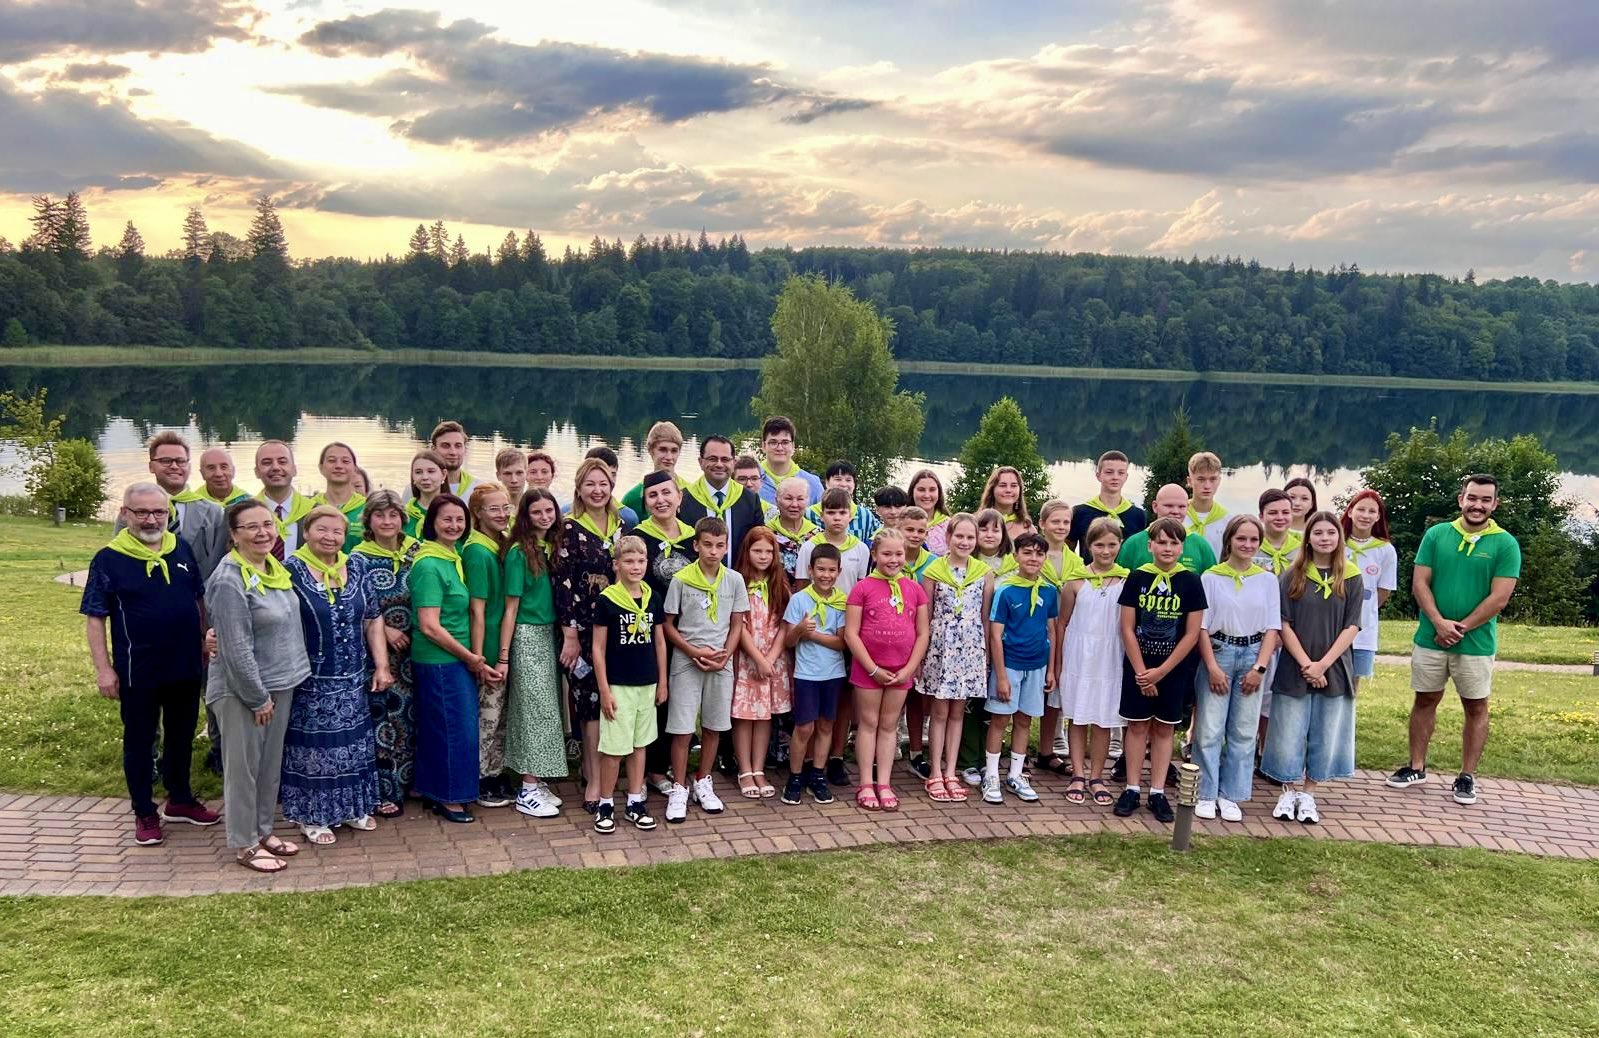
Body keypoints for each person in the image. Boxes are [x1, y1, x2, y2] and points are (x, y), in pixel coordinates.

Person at [83, 483, 221, 847]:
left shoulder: (181, 548)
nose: (151, 519)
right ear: (125, 514)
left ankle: (180, 799)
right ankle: (144, 811)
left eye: (159, 512)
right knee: (141, 741)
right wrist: (104, 669)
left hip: (185, 663)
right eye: (141, 512)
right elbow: (95, 617)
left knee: (182, 735)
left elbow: (197, 599)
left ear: (168, 514)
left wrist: (203, 638)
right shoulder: (108, 559)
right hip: (138, 668)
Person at [1389, 474, 1520, 806]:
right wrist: (1438, 622)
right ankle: (1416, 767)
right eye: (1472, 498)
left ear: (1495, 504)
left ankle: (1466, 776)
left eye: (1485, 500)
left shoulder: (1505, 544)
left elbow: (1499, 598)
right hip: (1430, 638)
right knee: (1425, 700)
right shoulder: (1436, 535)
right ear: (1461, 499)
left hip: (1475, 644)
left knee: (1476, 707)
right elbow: (1420, 583)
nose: (1478, 505)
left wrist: (1459, 628)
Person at [206, 499, 311, 872]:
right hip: (244, 692)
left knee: (268, 766)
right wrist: (257, 697)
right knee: (243, 770)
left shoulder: (272, 568)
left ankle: (263, 830)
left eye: (267, 524)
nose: (262, 532)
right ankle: (245, 844)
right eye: (251, 527)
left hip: (280, 683)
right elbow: (235, 648)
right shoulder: (229, 579)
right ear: (234, 535)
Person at [280, 505, 388, 845]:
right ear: (306, 532)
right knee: (316, 750)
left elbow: (372, 618)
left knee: (353, 746)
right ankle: (312, 816)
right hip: (310, 680)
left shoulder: (355, 565)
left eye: (337, 531)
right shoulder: (290, 570)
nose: (330, 537)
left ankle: (353, 808)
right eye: (321, 530)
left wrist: (382, 665)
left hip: (353, 677)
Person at [1263, 511, 1363, 825]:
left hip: (1334, 666)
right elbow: (1283, 623)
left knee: (1325, 731)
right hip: (1295, 666)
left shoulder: (1351, 577)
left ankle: (1309, 793)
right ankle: (1287, 790)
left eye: (1330, 533)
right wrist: (1307, 664)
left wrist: (1322, 665)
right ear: (1308, 538)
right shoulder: (1292, 575)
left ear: (1339, 538)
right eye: (1317, 533)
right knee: (1287, 731)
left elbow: (1352, 626)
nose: (1324, 538)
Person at [1114, 517, 1206, 824]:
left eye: (1174, 543)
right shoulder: (1137, 578)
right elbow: (1127, 627)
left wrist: (1161, 672)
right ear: (1150, 545)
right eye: (1162, 542)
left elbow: (1192, 634)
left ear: (1182, 547)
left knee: (1165, 729)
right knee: (1137, 726)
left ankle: (1157, 791)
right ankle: (1131, 788)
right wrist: (1143, 672)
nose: (1168, 548)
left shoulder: (1191, 581)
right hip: (1139, 666)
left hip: (1173, 669)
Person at [662, 517, 750, 823]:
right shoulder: (681, 580)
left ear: (726, 547)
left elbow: (737, 624)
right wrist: (692, 651)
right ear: (696, 545)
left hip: (720, 662)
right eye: (708, 545)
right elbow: (668, 625)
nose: (714, 551)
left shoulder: (734, 580)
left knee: (713, 725)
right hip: (687, 661)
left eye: (720, 545)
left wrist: (725, 657)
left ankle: (703, 780)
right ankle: (679, 786)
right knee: (683, 728)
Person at [555, 456, 630, 813]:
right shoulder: (569, 529)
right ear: (579, 489)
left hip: (614, 628)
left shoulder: (621, 526)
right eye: (590, 484)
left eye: (603, 484)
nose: (597, 491)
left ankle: (605, 770)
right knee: (588, 705)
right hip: (582, 631)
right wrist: (569, 635)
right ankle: (593, 777)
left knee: (611, 700)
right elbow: (562, 584)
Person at [1194, 515, 1280, 821]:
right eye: (1241, 538)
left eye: (1254, 540)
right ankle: (1206, 792)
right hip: (1219, 651)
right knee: (1209, 728)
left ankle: (1231, 794)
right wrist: (1212, 667)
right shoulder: (1211, 578)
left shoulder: (1267, 580)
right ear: (1229, 540)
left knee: (1243, 730)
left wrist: (1260, 667)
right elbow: (1201, 627)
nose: (1247, 545)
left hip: (1253, 654)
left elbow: (1273, 627)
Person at [410, 495, 488, 823]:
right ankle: (450, 797)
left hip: (454, 657)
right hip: (440, 659)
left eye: (460, 519)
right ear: (432, 523)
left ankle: (433, 789)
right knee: (456, 729)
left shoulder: (451, 557)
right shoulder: (429, 564)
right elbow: (429, 625)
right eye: (447, 519)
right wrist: (470, 658)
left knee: (443, 726)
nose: (454, 525)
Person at [843, 527, 930, 812]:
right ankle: (865, 783)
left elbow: (922, 633)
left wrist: (909, 669)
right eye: (887, 554)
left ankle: (884, 782)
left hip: (900, 671)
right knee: (868, 723)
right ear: (874, 554)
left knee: (889, 725)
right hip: (869, 670)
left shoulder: (914, 589)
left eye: (899, 554)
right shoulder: (862, 588)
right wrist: (871, 669)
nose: (893, 559)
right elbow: (851, 633)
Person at [350, 489, 421, 817]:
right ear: (369, 520)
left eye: (393, 515)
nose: (387, 521)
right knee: (383, 717)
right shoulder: (358, 558)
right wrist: (386, 629)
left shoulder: (416, 551)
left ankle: (413, 781)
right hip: (378, 650)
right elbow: (357, 603)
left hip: (416, 648)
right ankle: (384, 790)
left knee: (413, 716)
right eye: (379, 515)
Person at [497, 487, 566, 819]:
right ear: (525, 515)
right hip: (527, 635)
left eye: (549, 510)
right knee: (532, 712)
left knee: (547, 711)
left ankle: (537, 779)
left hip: (549, 634)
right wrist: (504, 655)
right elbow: (511, 608)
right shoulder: (518, 553)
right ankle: (526, 788)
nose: (544, 517)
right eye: (537, 512)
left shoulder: (551, 547)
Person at [592, 535, 665, 833]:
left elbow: (659, 642)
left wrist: (662, 682)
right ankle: (605, 804)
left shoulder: (652, 597)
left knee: (639, 745)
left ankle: (635, 801)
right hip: (618, 685)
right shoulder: (607, 600)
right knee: (614, 749)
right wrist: (604, 689)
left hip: (646, 683)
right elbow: (597, 648)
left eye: (641, 561)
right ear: (616, 564)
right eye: (629, 561)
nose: (636, 567)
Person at [917, 513, 991, 803]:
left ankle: (951, 771)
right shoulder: (933, 571)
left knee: (958, 712)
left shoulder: (983, 573)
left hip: (970, 648)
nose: (964, 542)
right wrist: (922, 655)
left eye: (970, 537)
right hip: (941, 647)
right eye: (959, 536)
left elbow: (984, 617)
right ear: (948, 538)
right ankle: (935, 771)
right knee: (939, 712)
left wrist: (984, 655)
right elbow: (926, 616)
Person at [982, 532, 1059, 805]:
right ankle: (991, 774)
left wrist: (1051, 670)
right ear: (1015, 556)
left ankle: (1015, 774)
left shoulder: (1049, 591)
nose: (1033, 558)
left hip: (1036, 666)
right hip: (1010, 666)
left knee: (1025, 720)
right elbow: (995, 635)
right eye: (1027, 552)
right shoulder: (1005, 591)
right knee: (1000, 720)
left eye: (1039, 554)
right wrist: (1001, 676)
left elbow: (1052, 631)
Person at [1058, 517, 1128, 807]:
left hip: (1110, 655)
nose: (1106, 551)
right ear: (1089, 546)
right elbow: (1063, 623)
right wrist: (1058, 662)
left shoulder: (1126, 580)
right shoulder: (1075, 580)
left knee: (1102, 718)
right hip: (1079, 654)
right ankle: (1077, 773)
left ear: (1120, 544)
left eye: (1112, 544)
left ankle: (1097, 776)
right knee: (1078, 716)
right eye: (1099, 545)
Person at [633, 471, 695, 792]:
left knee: (675, 701)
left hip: (687, 632)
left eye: (667, 493)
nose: (661, 500)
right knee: (650, 701)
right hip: (649, 633)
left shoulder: (693, 537)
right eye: (653, 495)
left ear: (679, 496)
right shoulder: (638, 537)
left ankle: (660, 769)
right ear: (645, 502)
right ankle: (640, 773)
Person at [781, 543, 848, 805]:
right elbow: (788, 641)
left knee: (826, 725)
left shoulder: (842, 601)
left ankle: (818, 775)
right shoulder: (799, 600)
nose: (825, 575)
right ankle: (795, 776)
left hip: (833, 673)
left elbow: (842, 642)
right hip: (807, 674)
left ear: (839, 572)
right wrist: (799, 629)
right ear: (810, 569)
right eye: (821, 569)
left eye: (831, 570)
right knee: (804, 727)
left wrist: (814, 635)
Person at [730, 526, 792, 799]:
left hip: (773, 659)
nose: (763, 556)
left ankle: (758, 768)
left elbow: (785, 625)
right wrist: (757, 657)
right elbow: (739, 626)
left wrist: (770, 659)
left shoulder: (780, 585)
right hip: (747, 658)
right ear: (747, 552)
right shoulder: (738, 583)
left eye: (769, 551)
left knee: (764, 714)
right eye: (757, 551)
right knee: (745, 715)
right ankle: (744, 769)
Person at [464, 483, 514, 808]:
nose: (502, 514)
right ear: (478, 513)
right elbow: (477, 610)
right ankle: (479, 779)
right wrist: (479, 657)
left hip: (503, 642)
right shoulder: (477, 551)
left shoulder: (500, 543)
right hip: (490, 644)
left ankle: (495, 772)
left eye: (505, 507)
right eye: (493, 508)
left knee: (499, 717)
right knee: (487, 716)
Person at [127, 431, 227, 579]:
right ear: (151, 466)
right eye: (166, 461)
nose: (174, 466)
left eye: (181, 461)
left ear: (189, 466)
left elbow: (221, 563)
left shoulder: (215, 513)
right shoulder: (133, 509)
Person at [1035, 498, 1083, 774]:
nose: (1061, 526)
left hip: (1064, 631)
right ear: (1042, 523)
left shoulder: (1076, 561)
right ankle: (1018, 752)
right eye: (1055, 521)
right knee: (1027, 692)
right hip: (1034, 630)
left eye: (1066, 522)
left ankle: (1046, 750)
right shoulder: (1032, 555)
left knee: (1053, 693)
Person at [1342, 490, 1398, 695]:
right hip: (1332, 623)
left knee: (1352, 683)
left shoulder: (1385, 550)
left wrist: (1362, 609)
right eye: (1361, 509)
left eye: (1372, 511)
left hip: (1363, 626)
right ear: (1350, 512)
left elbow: (1383, 591)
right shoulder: (1336, 542)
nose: (1365, 515)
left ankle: (1349, 715)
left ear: (1378, 516)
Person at [679, 435, 765, 563]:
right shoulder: (683, 500)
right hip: (694, 574)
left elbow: (758, 543)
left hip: (738, 574)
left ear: (733, 463)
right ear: (701, 462)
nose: (719, 464)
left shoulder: (750, 500)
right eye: (712, 459)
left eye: (725, 459)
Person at [1118, 484, 1217, 574]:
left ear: (1188, 507)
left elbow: (1212, 583)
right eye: (1169, 506)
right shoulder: (1133, 544)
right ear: (1155, 506)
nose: (1175, 511)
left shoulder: (1201, 545)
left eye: (1181, 507)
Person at [1070, 450, 1147, 560]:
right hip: (1088, 570)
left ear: (1126, 477)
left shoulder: (1138, 515)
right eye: (1109, 472)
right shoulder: (1080, 512)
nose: (1115, 477)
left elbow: (1140, 552)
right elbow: (1069, 550)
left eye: (1121, 473)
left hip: (1125, 571)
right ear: (1098, 476)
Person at [795, 487, 872, 594]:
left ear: (850, 516)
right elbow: (801, 587)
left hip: (848, 605)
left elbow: (861, 589)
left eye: (842, 513)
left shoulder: (861, 549)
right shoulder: (808, 547)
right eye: (831, 513)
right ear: (822, 516)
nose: (837, 518)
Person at [255, 440, 311, 559]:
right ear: (257, 472)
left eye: (282, 462)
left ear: (294, 470)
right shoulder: (240, 513)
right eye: (267, 462)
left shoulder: (315, 511)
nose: (275, 467)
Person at [621, 421, 686, 518]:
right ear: (650, 450)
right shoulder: (632, 498)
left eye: (674, 451)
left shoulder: (690, 492)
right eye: (663, 450)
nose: (669, 457)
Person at [804, 461, 881, 542]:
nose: (843, 484)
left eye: (848, 480)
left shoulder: (865, 515)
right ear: (827, 482)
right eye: (838, 479)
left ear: (854, 484)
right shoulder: (809, 514)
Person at [311, 442, 366, 553]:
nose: (339, 466)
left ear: (355, 469)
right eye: (332, 461)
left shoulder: (368, 508)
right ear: (321, 467)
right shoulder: (310, 508)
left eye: (345, 461)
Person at [757, 415, 823, 505]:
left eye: (785, 442)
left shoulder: (813, 484)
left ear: (793, 446)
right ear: (764, 446)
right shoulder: (749, 481)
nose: (779, 448)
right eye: (773, 442)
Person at [767, 475, 819, 581]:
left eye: (800, 499)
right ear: (776, 501)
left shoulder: (818, 536)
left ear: (808, 501)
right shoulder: (765, 535)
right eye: (788, 498)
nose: (794, 504)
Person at [1185, 452, 1228, 560]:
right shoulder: (1179, 515)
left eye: (1213, 479)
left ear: (1219, 481)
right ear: (1190, 481)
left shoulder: (1227, 521)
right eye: (1201, 479)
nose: (1207, 486)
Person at [978, 466, 1032, 540]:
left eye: (1013, 486)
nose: (1008, 490)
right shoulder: (975, 523)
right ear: (992, 489)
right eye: (1002, 485)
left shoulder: (1028, 528)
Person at [1254, 489, 1302, 574]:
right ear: (1261, 517)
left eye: (1285, 512)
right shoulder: (1251, 546)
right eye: (1273, 513)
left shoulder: (1301, 549)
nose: (1280, 517)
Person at [403, 449, 448, 538]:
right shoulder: (404, 514)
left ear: (443, 474)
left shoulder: (455, 511)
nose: (425, 477)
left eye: (431, 471)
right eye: (418, 472)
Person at [906, 469, 951, 556]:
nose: (927, 495)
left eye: (932, 490)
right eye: (921, 490)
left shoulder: (949, 526)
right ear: (912, 492)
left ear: (939, 493)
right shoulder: (900, 522)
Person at [429, 420, 476, 499]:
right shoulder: (415, 491)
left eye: (458, 446)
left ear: (465, 450)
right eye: (445, 446)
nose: (453, 452)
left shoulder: (478, 490)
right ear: (433, 450)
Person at [734, 456, 777, 521]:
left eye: (754, 479)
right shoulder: (724, 509)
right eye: (742, 479)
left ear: (761, 482)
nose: (749, 484)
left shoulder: (772, 513)